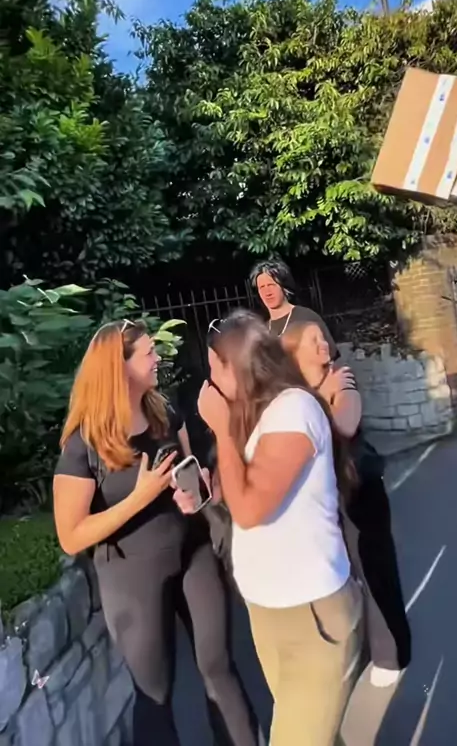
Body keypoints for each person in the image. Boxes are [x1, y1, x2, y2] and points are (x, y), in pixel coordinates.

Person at [53, 318, 258, 746]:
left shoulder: (164, 412)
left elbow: (196, 480)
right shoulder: (83, 444)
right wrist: (139, 497)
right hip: (132, 578)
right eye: (148, 353)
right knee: (155, 694)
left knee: (218, 665)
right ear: (119, 367)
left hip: (193, 554)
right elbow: (71, 535)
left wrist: (199, 490)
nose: (157, 358)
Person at [174, 311, 362, 746]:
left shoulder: (293, 409)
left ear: (235, 366)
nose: (209, 381)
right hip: (268, 610)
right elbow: (243, 487)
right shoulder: (255, 413)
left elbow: (250, 510)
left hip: (313, 615)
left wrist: (221, 430)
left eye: (214, 367)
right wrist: (208, 494)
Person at [282, 321, 412, 688]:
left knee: (374, 570)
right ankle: (358, 649)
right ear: (294, 353)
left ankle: (391, 653)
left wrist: (324, 396)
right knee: (341, 578)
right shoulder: (292, 394)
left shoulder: (343, 378)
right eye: (312, 340)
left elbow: (346, 425)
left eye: (322, 337)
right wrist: (320, 397)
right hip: (323, 498)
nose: (323, 343)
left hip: (360, 491)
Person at [249, 258, 338, 359]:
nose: (267, 292)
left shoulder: (306, 317)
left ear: (284, 287)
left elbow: (332, 357)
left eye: (271, 285)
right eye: (262, 287)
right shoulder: (262, 330)